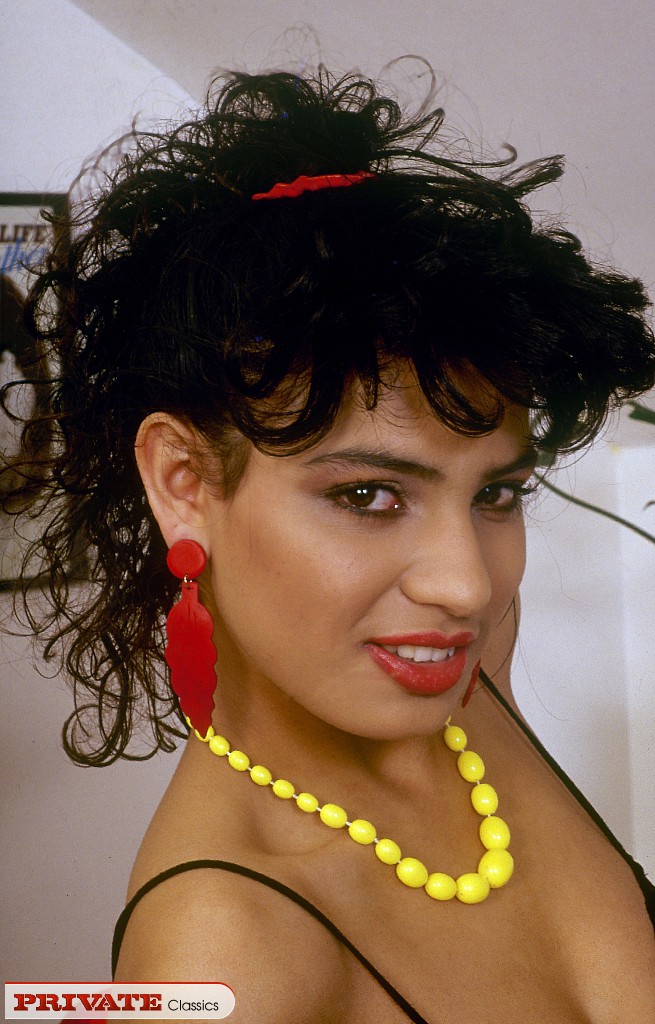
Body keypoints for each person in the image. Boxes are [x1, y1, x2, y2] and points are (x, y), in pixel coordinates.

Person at [5, 66, 655, 1023]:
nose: (466, 586)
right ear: (183, 483)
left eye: (496, 493)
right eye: (367, 495)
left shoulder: (465, 673)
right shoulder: (222, 949)